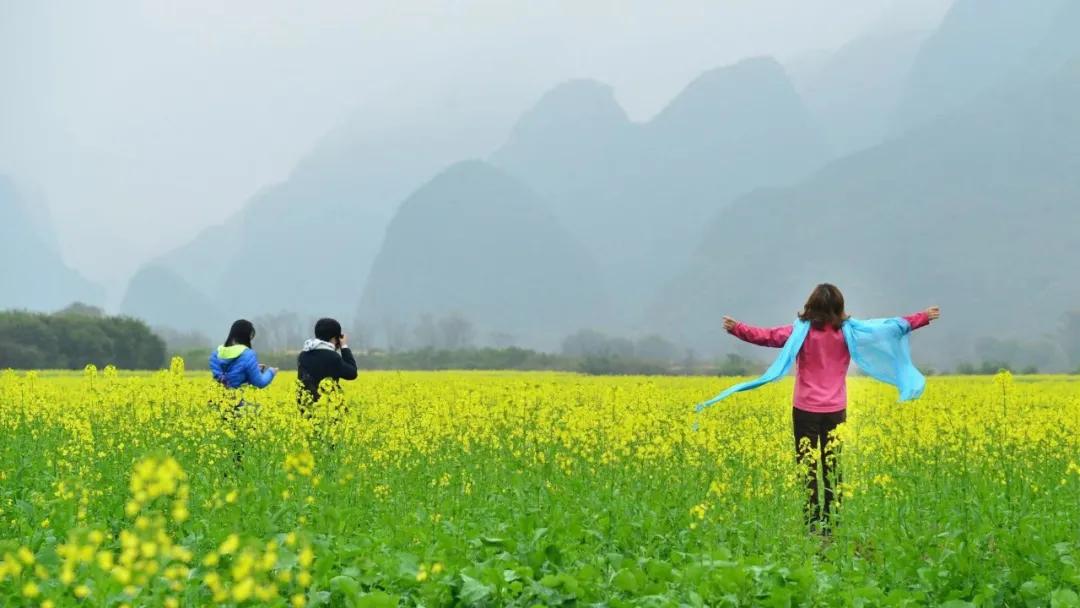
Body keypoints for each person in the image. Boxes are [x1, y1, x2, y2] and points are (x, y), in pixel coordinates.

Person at [707, 283, 939, 532]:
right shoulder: (850, 332)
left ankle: (812, 523)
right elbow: (888, 328)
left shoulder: (801, 333)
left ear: (811, 305)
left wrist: (737, 328)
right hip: (836, 410)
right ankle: (833, 521)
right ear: (839, 307)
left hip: (805, 409)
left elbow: (768, 336)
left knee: (807, 466)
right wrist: (922, 317)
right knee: (833, 465)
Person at [297, 317, 358, 406]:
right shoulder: (333, 357)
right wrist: (344, 346)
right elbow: (352, 373)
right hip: (328, 409)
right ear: (335, 338)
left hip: (307, 408)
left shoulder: (303, 355)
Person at [209, 319, 277, 389]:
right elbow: (259, 383)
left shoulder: (216, 354)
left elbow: (228, 375)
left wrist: (254, 368)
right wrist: (271, 372)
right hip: (236, 397)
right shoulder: (248, 355)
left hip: (215, 397)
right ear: (246, 337)